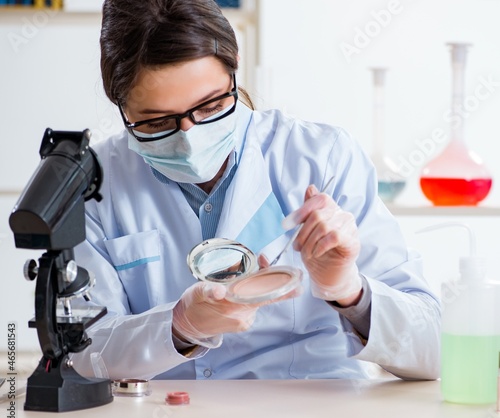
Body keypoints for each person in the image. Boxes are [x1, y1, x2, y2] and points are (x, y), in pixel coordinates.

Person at [72, 0, 440, 381]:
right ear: (121, 106)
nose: (189, 138)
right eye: (155, 123)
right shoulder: (96, 183)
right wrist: (178, 326)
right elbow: (84, 351)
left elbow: (433, 350)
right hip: (167, 417)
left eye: (211, 106)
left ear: (234, 67)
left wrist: (349, 291)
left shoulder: (321, 159)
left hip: (312, 416)